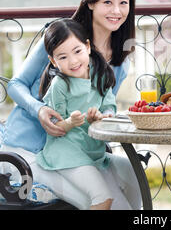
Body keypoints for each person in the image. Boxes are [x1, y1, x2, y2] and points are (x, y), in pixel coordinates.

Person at [1, 0, 141, 210]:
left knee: (133, 177)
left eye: (123, 3)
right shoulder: (62, 38)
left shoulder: (119, 64)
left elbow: (100, 111)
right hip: (28, 150)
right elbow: (15, 84)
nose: (116, 11)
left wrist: (104, 117)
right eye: (107, 2)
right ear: (90, 2)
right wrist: (40, 110)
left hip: (77, 151)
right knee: (111, 204)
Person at [36, 18, 119, 210]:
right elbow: (54, 127)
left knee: (132, 177)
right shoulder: (60, 85)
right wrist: (70, 122)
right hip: (65, 151)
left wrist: (101, 116)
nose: (73, 61)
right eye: (62, 57)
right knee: (102, 198)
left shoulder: (102, 75)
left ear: (88, 47)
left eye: (77, 51)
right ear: (53, 61)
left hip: (91, 149)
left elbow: (109, 107)